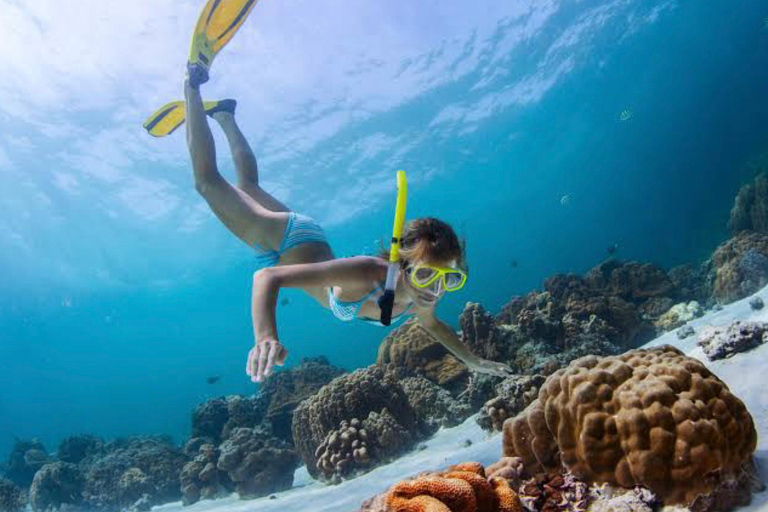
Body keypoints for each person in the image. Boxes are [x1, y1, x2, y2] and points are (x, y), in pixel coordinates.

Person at [183, 78, 512, 384]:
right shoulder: (370, 274)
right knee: (207, 183)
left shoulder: (421, 295)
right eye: (427, 275)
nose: (437, 289)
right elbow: (267, 278)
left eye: (450, 279)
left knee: (248, 186)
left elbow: (432, 325)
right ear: (402, 266)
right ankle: (192, 82)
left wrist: (472, 361)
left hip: (305, 247)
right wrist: (265, 337)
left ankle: (225, 115)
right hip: (288, 240)